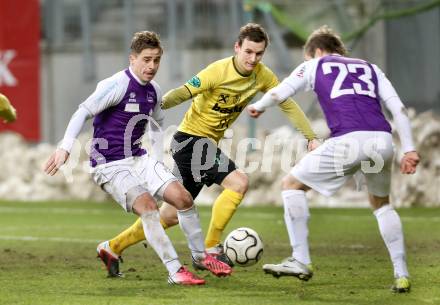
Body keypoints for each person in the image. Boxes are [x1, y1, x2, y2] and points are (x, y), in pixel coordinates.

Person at [98, 23, 319, 276]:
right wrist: (150, 106)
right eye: (248, 52)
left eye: (259, 54)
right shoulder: (217, 71)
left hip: (203, 145)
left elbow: (286, 103)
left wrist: (310, 136)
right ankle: (212, 248)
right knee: (239, 183)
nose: (253, 58)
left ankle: (112, 247)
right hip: (190, 141)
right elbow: (183, 92)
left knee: (170, 215)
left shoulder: (263, 75)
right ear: (237, 47)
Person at [43, 31, 232, 285]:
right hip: (109, 164)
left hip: (139, 158)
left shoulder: (154, 90)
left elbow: (155, 126)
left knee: (183, 198)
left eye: (156, 60)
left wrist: (156, 161)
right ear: (132, 58)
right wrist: (65, 147)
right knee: (149, 209)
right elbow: (82, 112)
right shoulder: (116, 85)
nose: (151, 66)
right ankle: (176, 271)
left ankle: (200, 257)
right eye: (146, 59)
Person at [247, 25, 420, 293]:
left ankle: (301, 260)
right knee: (382, 204)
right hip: (383, 141)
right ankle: (402, 274)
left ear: (316, 51)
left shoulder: (316, 64)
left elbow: (280, 92)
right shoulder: (371, 68)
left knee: (291, 185)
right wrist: (409, 148)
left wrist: (258, 106)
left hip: (349, 140)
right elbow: (397, 108)